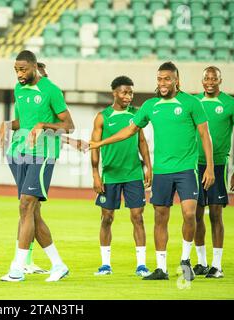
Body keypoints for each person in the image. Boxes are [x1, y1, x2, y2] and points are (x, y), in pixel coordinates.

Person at [89, 62, 215, 281]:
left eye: (167, 78)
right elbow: (129, 130)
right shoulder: (150, 106)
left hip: (186, 169)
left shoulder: (191, 103)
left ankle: (185, 259)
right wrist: (100, 143)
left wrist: (210, 167)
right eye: (159, 79)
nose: (163, 83)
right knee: (160, 218)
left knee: (189, 214)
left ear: (177, 80)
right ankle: (161, 268)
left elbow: (205, 135)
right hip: (162, 172)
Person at [1, 61, 88, 275]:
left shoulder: (51, 90)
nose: (19, 74)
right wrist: (6, 125)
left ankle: (17, 269)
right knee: (32, 212)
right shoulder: (19, 89)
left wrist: (44, 125)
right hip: (18, 153)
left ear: (33, 67)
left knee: (25, 206)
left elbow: (69, 126)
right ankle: (58, 265)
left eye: (22, 69)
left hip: (42, 155)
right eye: (16, 70)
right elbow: (24, 121)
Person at [91, 76, 152, 277]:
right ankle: (105, 265)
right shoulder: (103, 116)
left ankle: (141, 265)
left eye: (131, 92)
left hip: (133, 174)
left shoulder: (136, 114)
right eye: (125, 92)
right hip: (110, 175)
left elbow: (141, 141)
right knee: (106, 218)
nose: (128, 96)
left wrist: (148, 167)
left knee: (138, 217)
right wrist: (95, 175)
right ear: (114, 93)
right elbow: (94, 147)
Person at [193, 66, 234, 278]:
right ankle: (201, 262)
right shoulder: (194, 102)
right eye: (206, 78)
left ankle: (217, 266)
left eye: (213, 78)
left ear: (220, 80)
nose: (209, 81)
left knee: (216, 213)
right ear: (202, 80)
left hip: (218, 165)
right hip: (194, 164)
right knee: (196, 214)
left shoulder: (231, 104)